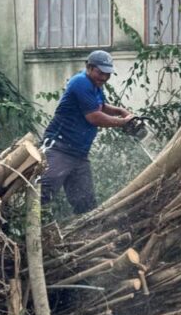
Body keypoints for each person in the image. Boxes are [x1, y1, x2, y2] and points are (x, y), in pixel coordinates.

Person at [40, 49, 136, 214]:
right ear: (89, 67)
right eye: (101, 73)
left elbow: (101, 106)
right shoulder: (81, 82)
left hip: (78, 154)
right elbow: (94, 117)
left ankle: (84, 236)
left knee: (86, 203)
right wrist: (123, 123)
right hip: (59, 148)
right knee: (43, 192)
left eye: (108, 74)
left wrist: (121, 111)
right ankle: (21, 225)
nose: (104, 78)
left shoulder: (95, 85)